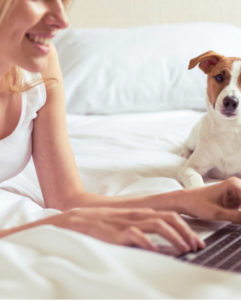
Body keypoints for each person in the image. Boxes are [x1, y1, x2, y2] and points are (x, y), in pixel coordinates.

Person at [0, 0, 241, 255]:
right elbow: (63, 213)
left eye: (62, 1)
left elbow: (66, 200)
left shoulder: (43, 66)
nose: (62, 21)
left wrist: (185, 201)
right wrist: (47, 226)